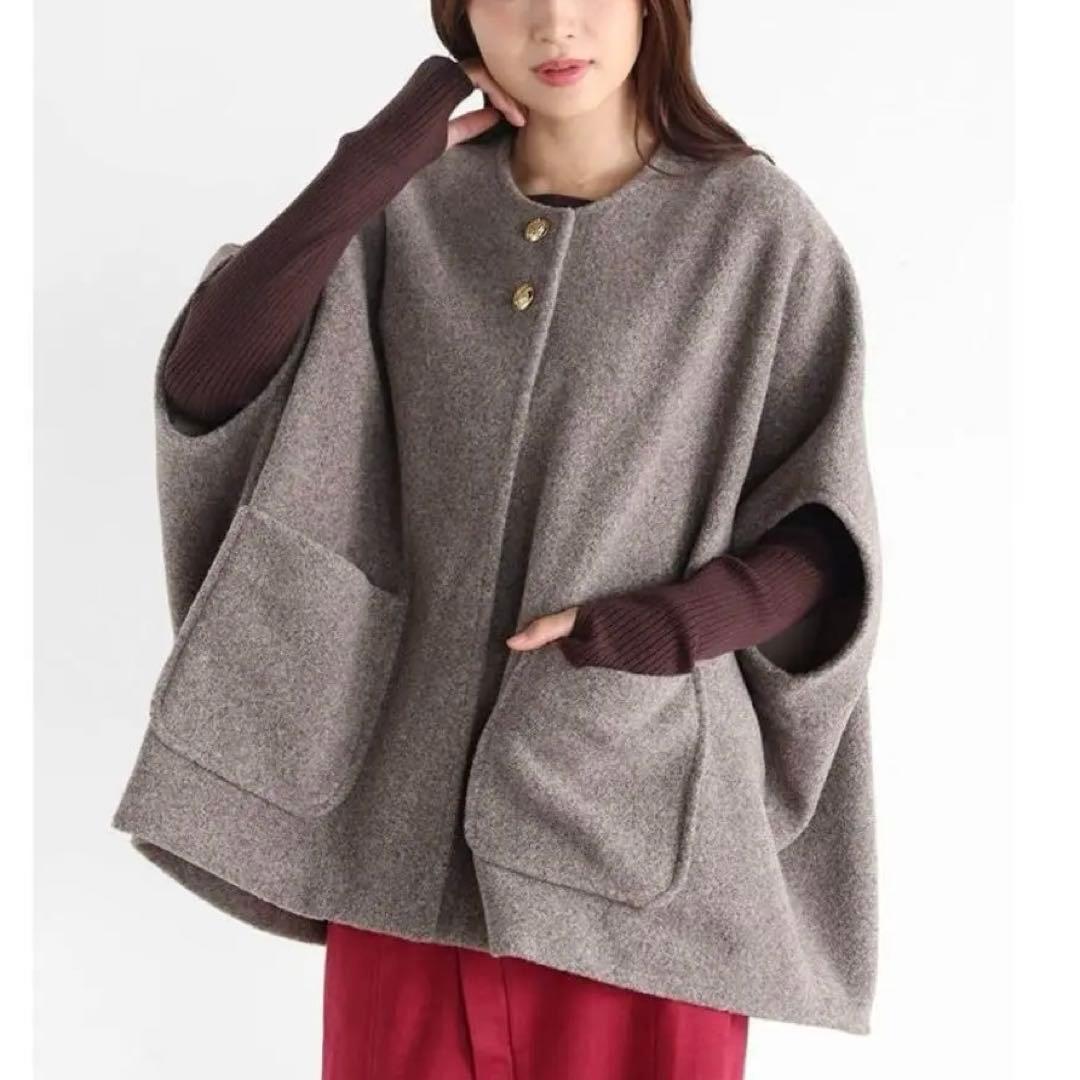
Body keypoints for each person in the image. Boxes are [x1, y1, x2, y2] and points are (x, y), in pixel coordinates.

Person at [113, 2, 880, 1076]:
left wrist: (666, 629)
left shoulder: (756, 230)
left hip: (630, 840)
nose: (555, 23)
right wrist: (373, 162)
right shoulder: (406, 208)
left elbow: (824, 539)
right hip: (400, 842)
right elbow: (209, 383)